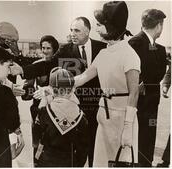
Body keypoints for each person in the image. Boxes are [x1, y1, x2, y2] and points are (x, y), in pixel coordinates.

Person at [10, 16, 107, 167]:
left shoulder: (102, 47)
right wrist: (23, 69)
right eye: (71, 30)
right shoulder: (65, 50)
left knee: (95, 146)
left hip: (96, 104)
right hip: (73, 106)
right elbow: (47, 65)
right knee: (75, 147)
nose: (73, 33)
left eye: (77, 30)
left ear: (88, 30)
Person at [74, 1, 140, 167]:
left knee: (121, 163)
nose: (96, 29)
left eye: (99, 25)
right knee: (101, 163)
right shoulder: (104, 53)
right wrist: (55, 85)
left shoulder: (130, 55)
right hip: (104, 118)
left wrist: (128, 127)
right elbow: (82, 78)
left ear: (111, 27)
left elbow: (134, 93)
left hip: (123, 119)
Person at [128, 9, 167, 167]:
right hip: (137, 105)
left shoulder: (160, 49)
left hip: (151, 106)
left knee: (148, 138)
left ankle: (145, 163)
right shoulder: (134, 43)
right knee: (137, 140)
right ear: (159, 25)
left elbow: (157, 74)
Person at [33, 67, 88, 167]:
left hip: (47, 161)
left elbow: (36, 139)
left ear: (52, 90)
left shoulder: (44, 112)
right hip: (70, 162)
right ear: (72, 89)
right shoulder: (81, 116)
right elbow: (83, 150)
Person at [21, 35, 59, 167]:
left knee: (55, 140)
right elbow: (28, 89)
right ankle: (37, 164)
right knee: (38, 141)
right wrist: (27, 92)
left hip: (57, 107)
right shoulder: (35, 65)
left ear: (55, 49)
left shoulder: (61, 65)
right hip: (39, 109)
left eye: (48, 48)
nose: (45, 51)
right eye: (43, 47)